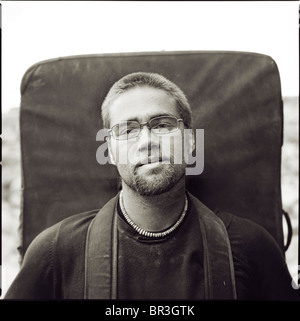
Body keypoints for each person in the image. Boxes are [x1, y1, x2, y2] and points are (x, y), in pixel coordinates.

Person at [5, 72, 299, 300]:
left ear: (190, 140)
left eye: (162, 125)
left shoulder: (251, 247)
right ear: (109, 149)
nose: (147, 141)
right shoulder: (56, 251)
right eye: (128, 130)